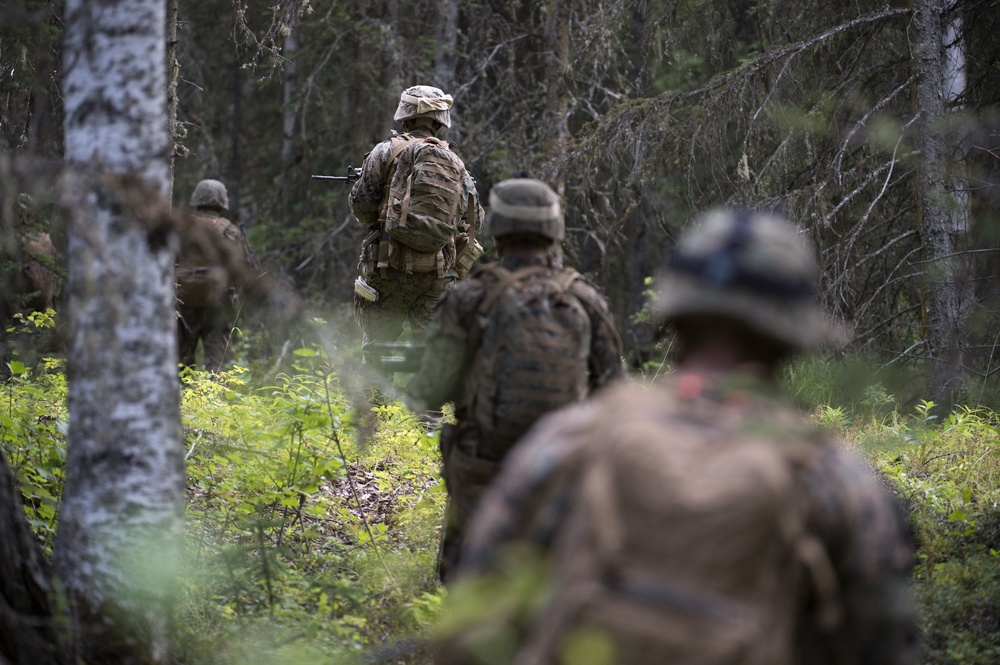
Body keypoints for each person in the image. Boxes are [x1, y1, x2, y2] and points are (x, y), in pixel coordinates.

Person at [444, 209, 918, 665]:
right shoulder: (836, 478)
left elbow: (472, 622)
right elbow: (886, 643)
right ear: (792, 339)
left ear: (676, 316)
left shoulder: (571, 440)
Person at [407, 178, 625, 582]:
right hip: (560, 471)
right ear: (553, 229)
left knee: (468, 587)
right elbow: (616, 395)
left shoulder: (470, 297)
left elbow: (431, 392)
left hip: (483, 471)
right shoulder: (585, 300)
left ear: (498, 227)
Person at [349, 85, 484, 362]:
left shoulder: (385, 152)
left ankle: (377, 404)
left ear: (406, 118)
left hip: (388, 269)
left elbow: (362, 209)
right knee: (434, 356)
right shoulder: (456, 163)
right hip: (438, 274)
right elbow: (476, 222)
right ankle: (430, 407)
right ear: (438, 123)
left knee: (377, 351)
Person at [176, 178, 258, 371]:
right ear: (222, 201)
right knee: (218, 360)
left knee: (181, 360)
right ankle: (216, 397)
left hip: (184, 300)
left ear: (197, 198)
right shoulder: (230, 230)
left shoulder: (183, 228)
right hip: (218, 301)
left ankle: (181, 397)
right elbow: (245, 266)